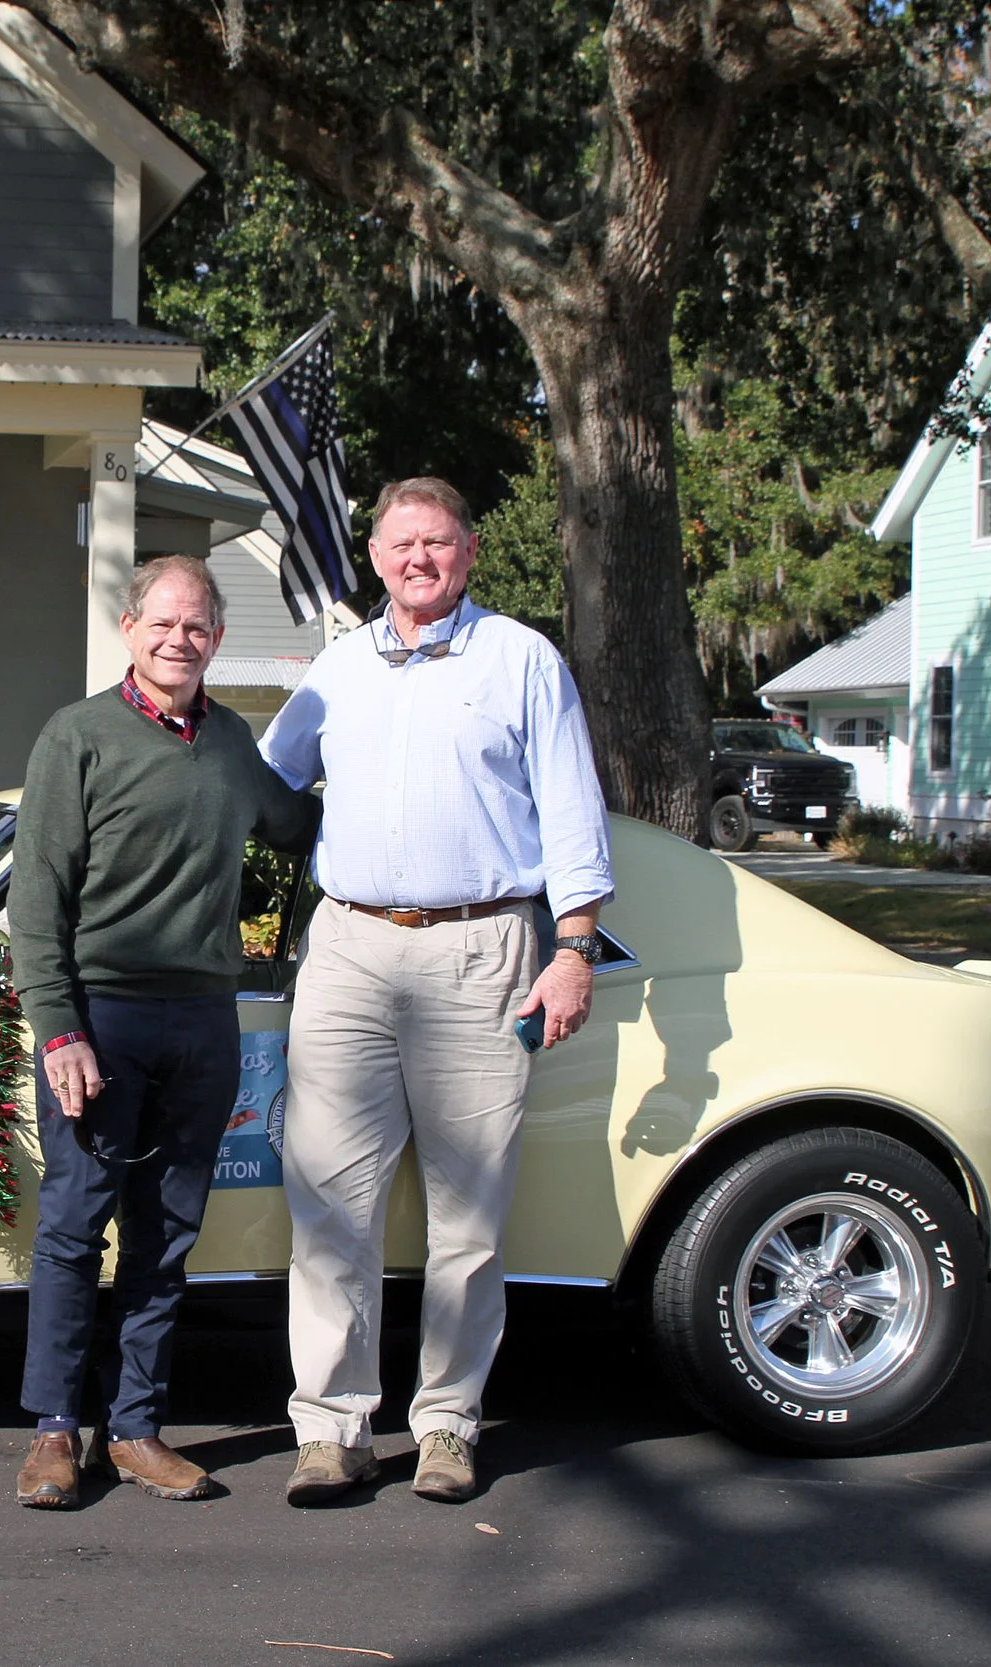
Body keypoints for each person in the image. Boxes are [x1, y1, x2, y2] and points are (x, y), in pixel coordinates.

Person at [259, 477, 615, 1506]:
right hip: (350, 951)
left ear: (468, 553)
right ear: (374, 557)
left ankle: (447, 1424)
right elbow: (266, 786)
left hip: (483, 950)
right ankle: (330, 1428)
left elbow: (570, 815)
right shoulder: (334, 670)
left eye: (440, 541)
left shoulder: (520, 661)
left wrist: (574, 945)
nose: (420, 557)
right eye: (402, 541)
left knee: (469, 1215)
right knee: (329, 1199)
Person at [8, 553, 322, 1509]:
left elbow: (291, 830)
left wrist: (265, 946)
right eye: (163, 623)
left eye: (197, 627)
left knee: (166, 1234)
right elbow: (37, 895)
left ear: (216, 641)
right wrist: (59, 1029)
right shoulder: (79, 736)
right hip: (100, 1019)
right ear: (129, 628)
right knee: (74, 1225)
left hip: (202, 1021)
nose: (179, 640)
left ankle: (137, 1428)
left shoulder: (230, 741)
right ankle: (56, 1433)